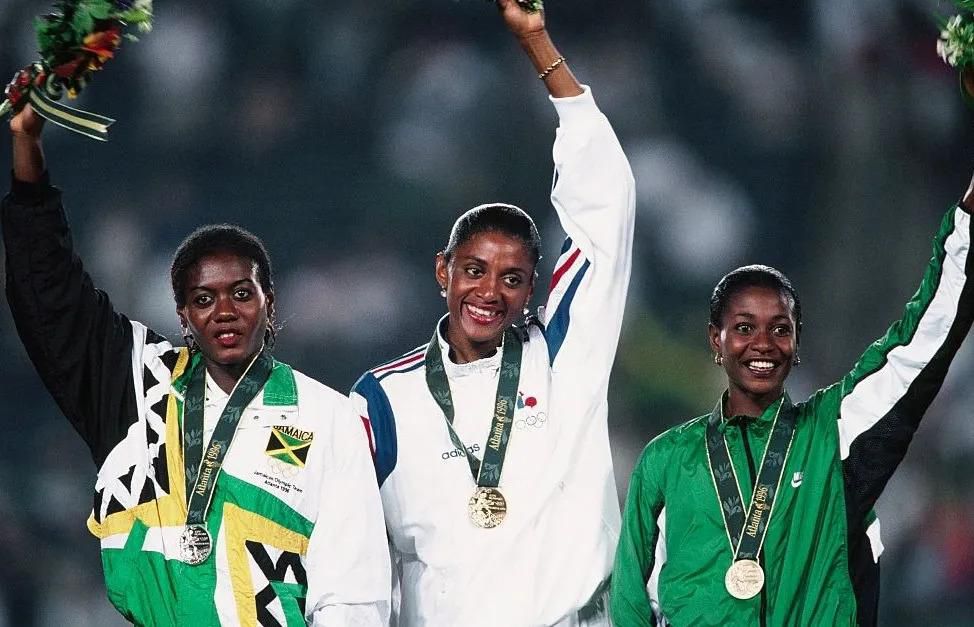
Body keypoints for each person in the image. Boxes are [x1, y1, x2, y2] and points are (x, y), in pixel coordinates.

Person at [2, 104, 391, 626]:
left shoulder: (327, 417)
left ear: (270, 303)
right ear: (183, 316)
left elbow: (354, 591)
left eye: (241, 294)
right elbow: (49, 295)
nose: (225, 312)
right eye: (204, 300)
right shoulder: (140, 386)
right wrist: (28, 149)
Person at [348, 2, 635, 625]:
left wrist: (537, 43)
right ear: (442, 272)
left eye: (512, 279)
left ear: (534, 290)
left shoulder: (563, 353)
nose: (489, 292)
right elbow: (351, 555)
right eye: (474, 270)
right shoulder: (379, 400)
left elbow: (605, 207)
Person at [610, 182, 974, 624]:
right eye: (744, 328)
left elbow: (915, 347)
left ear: (797, 344)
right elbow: (630, 604)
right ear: (715, 340)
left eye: (780, 329)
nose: (763, 344)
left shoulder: (833, 436)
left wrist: (967, 223)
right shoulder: (664, 461)